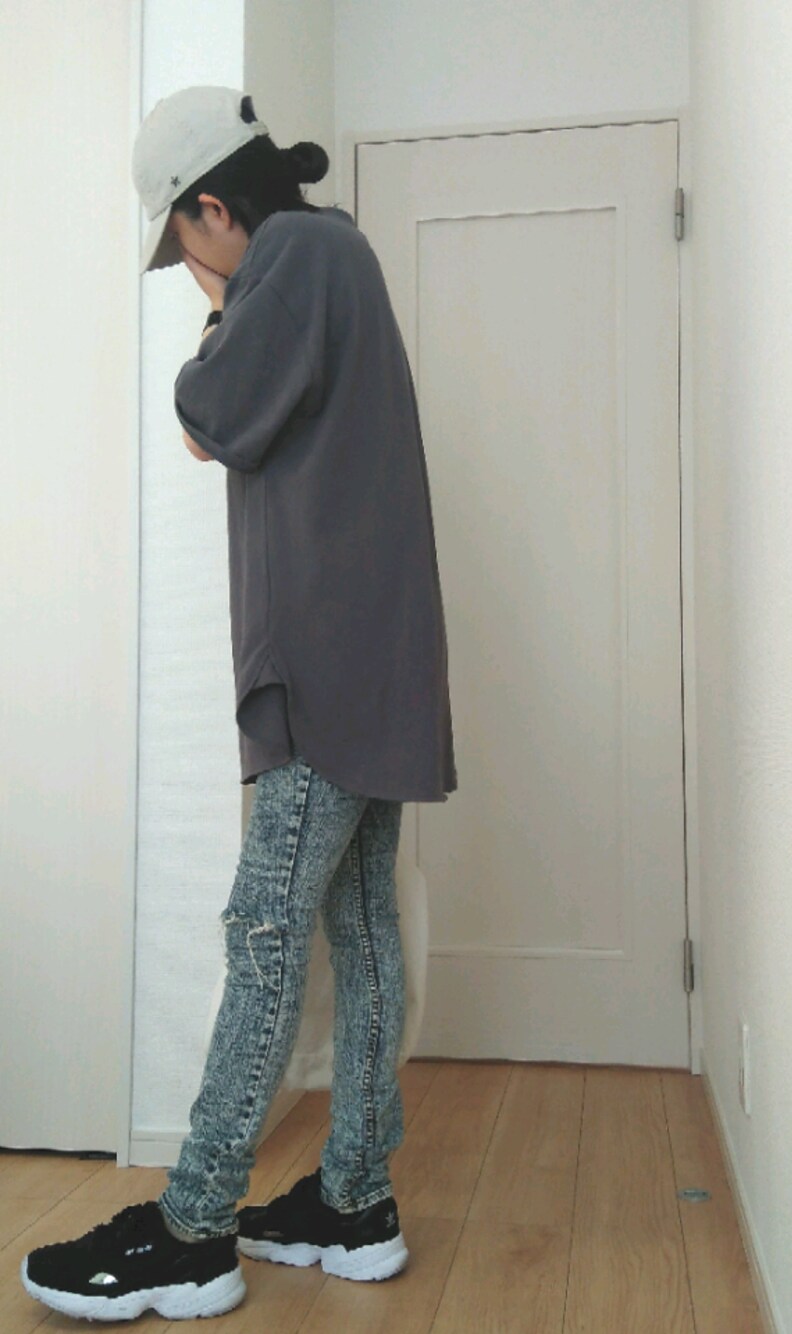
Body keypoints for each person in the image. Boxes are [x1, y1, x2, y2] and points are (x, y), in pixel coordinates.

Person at [21, 85, 457, 1322]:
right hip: (372, 656)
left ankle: (193, 1224)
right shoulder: (333, 255)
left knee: (262, 932)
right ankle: (354, 1199)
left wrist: (221, 310)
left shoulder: (296, 258)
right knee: (358, 927)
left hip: (321, 662)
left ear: (215, 207)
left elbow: (206, 418)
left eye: (183, 245)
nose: (192, 270)